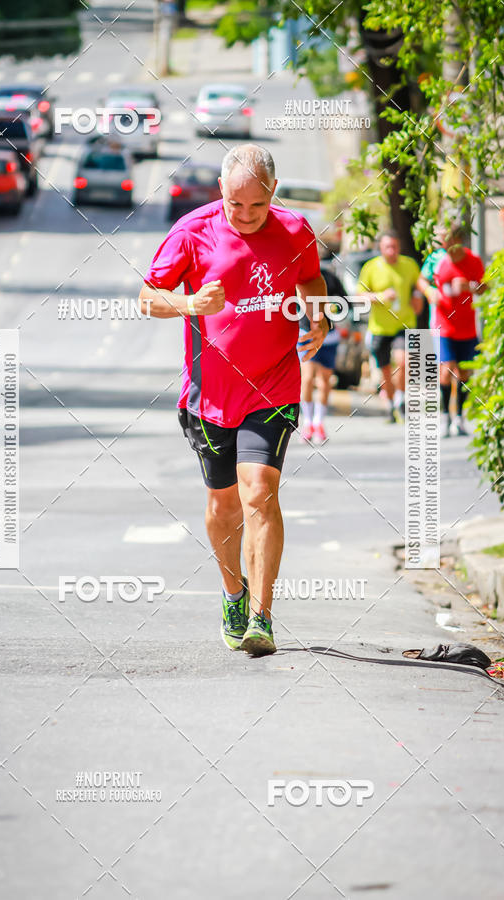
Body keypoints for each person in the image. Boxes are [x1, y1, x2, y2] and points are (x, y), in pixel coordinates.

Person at [138, 144, 328, 656]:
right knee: (223, 506)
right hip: (209, 394)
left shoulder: (294, 230)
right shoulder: (191, 230)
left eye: (257, 207)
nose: (245, 217)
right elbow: (147, 298)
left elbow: (310, 277)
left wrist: (319, 316)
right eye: (235, 206)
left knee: (259, 492)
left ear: (273, 193)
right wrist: (188, 302)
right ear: (221, 191)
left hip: (274, 383)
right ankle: (233, 593)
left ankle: (262, 618)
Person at [355, 231, 423, 423]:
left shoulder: (409, 265)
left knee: (403, 362)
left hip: (404, 323)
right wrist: (380, 296)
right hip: (380, 327)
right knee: (385, 371)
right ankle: (391, 404)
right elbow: (360, 295)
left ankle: (401, 400)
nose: (392, 251)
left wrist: (418, 296)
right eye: (387, 247)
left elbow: (419, 284)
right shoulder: (371, 267)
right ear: (381, 248)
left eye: (395, 247)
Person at [430, 223, 486, 436]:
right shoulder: (440, 262)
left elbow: (484, 287)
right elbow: (424, 282)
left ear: (458, 241)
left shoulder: (473, 260)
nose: (446, 247)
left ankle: (459, 418)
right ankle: (446, 416)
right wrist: (430, 293)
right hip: (444, 326)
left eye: (449, 242)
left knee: (464, 373)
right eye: (443, 243)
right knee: (445, 372)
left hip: (467, 327)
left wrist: (470, 286)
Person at [298, 258, 344, 444]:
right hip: (306, 332)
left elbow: (345, 302)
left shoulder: (331, 278)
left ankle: (319, 423)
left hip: (330, 336)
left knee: (324, 381)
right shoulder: (298, 277)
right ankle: (307, 423)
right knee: (308, 377)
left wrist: (334, 308)